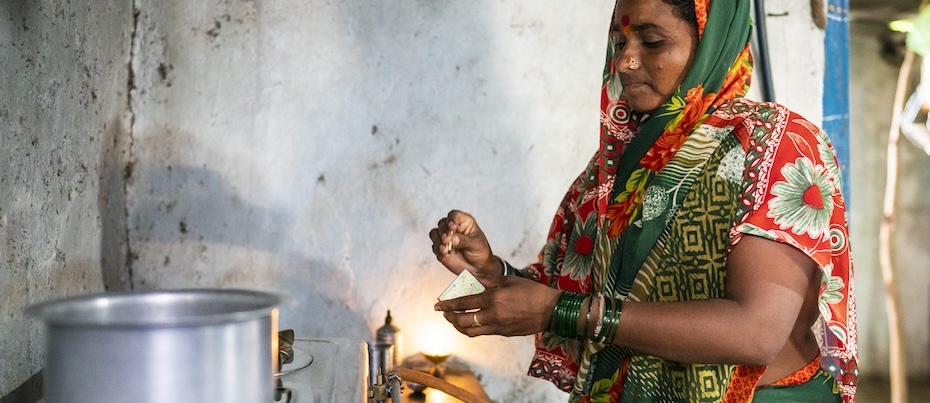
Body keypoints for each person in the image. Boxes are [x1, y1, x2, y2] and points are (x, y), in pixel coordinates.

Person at [429, 0, 857, 402]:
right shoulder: (617, 164)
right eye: (619, 43)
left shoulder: (773, 143)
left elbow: (756, 332)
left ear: (711, 41)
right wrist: (493, 272)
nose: (625, 62)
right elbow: (575, 293)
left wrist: (562, 311)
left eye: (652, 42)